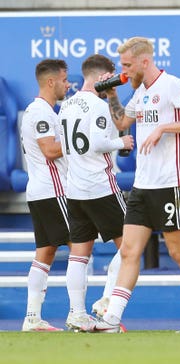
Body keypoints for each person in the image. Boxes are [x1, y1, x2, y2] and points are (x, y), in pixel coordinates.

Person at [93, 36, 180, 333]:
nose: (123, 70)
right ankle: (111, 319)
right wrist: (110, 94)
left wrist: (163, 127)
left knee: (179, 253)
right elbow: (122, 123)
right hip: (142, 186)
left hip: (169, 184)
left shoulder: (172, 85)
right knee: (129, 252)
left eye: (127, 65)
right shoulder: (141, 92)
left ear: (144, 62)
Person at [57, 55, 134, 332]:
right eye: (112, 76)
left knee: (79, 254)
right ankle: (107, 307)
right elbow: (98, 143)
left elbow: (65, 145)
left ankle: (76, 313)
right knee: (130, 247)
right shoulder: (98, 106)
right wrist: (121, 141)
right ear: (104, 76)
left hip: (75, 187)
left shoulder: (65, 104)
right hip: (100, 186)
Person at [19, 59, 71, 332]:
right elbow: (50, 150)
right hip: (53, 191)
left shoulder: (44, 111)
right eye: (64, 79)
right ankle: (80, 313)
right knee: (80, 246)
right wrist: (78, 139)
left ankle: (32, 317)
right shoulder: (41, 112)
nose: (67, 84)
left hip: (41, 191)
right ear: (51, 82)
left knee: (46, 252)